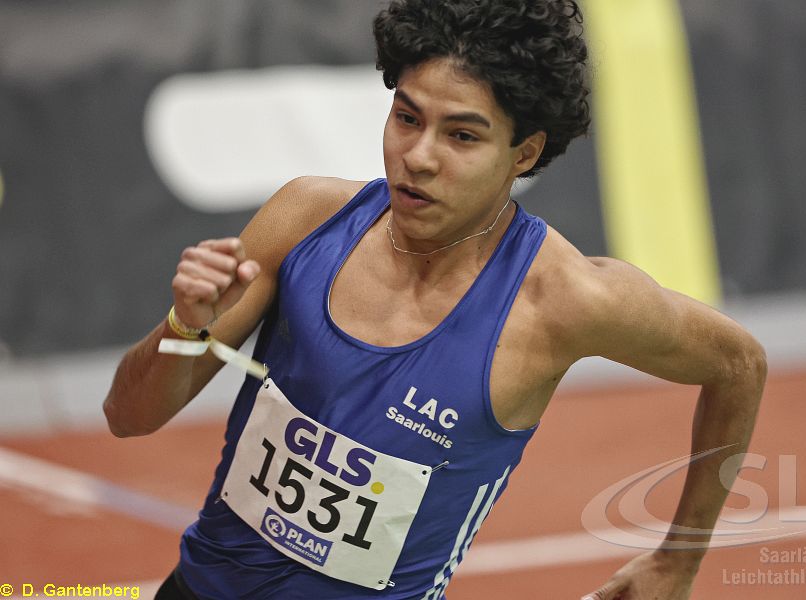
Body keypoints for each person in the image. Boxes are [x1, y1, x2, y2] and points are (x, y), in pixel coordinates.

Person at [104, 1, 766, 598]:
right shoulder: (305, 221)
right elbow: (128, 416)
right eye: (407, 117)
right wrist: (185, 327)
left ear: (524, 152)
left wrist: (677, 560)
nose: (417, 157)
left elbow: (739, 364)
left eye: (462, 136)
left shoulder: (565, 300)